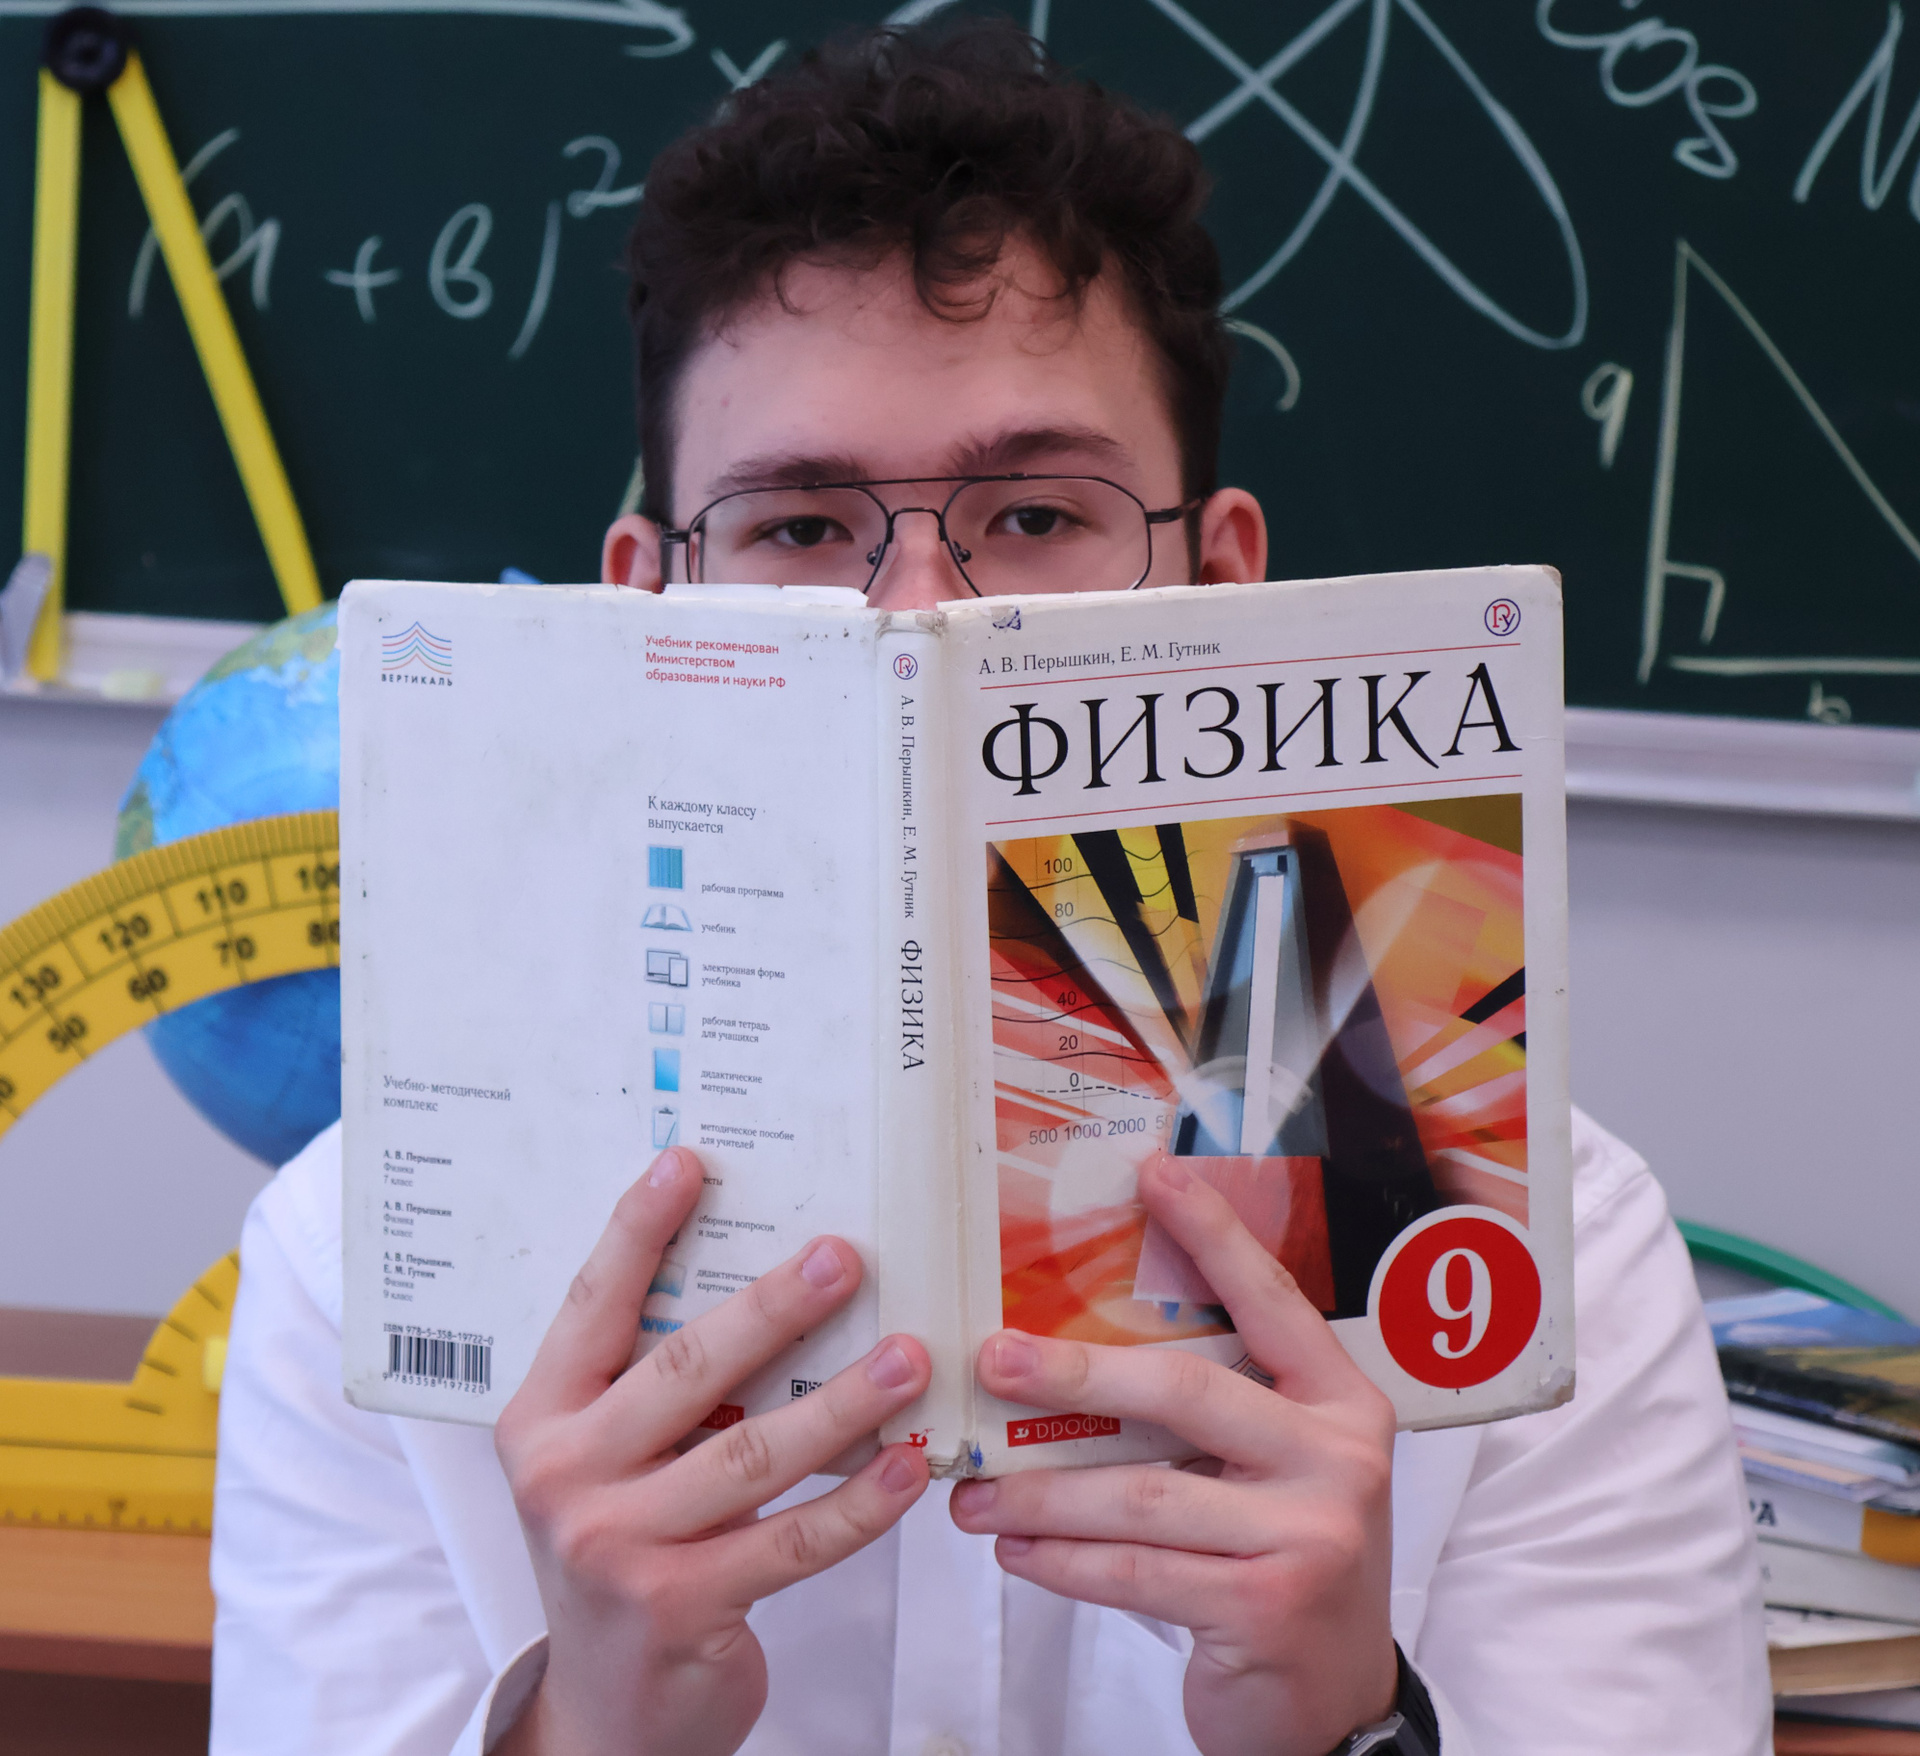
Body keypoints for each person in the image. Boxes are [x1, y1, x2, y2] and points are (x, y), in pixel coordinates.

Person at [209, 21, 1770, 1756]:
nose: (919, 624)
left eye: (1036, 515)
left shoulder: (1544, 1243)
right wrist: (581, 1736)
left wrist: (1346, 1726)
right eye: (800, 528)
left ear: (1227, 589)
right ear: (644, 607)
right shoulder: (365, 1263)